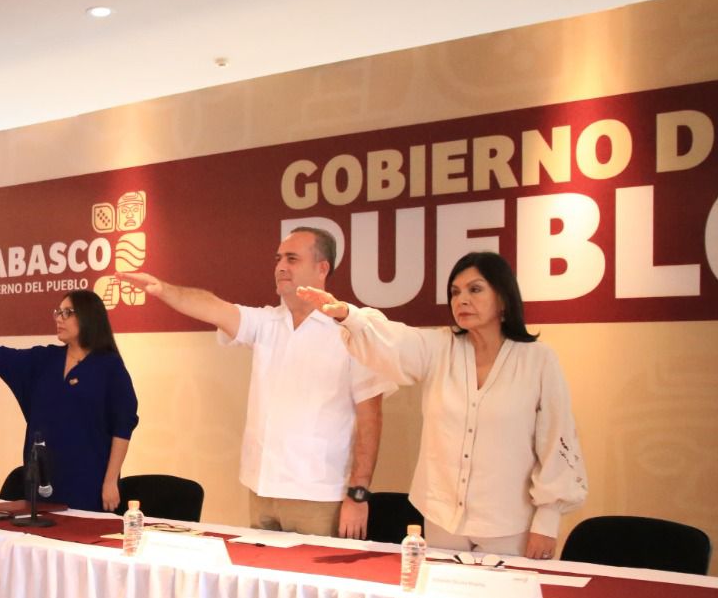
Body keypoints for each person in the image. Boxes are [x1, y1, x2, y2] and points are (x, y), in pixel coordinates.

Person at [297, 250, 588, 560]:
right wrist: (348, 316)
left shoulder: (538, 360)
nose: (462, 300)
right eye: (455, 292)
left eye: (475, 289)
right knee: (442, 591)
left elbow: (556, 440)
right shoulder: (439, 347)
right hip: (442, 519)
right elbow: (395, 342)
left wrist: (547, 521)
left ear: (503, 297)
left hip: (509, 525)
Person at [118, 226, 392, 538]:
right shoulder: (267, 322)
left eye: (292, 258)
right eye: (278, 259)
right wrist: (163, 290)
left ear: (322, 268)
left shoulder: (350, 329)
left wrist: (358, 494)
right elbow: (213, 307)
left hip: (318, 495)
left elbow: (371, 418)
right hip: (261, 491)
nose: (281, 267)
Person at [0, 289, 137, 511]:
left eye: (67, 313)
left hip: (89, 477)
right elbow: (3, 358)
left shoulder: (109, 367)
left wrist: (110, 481)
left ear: (89, 316)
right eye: (58, 312)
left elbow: (122, 427)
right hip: (44, 476)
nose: (59, 319)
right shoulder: (46, 358)